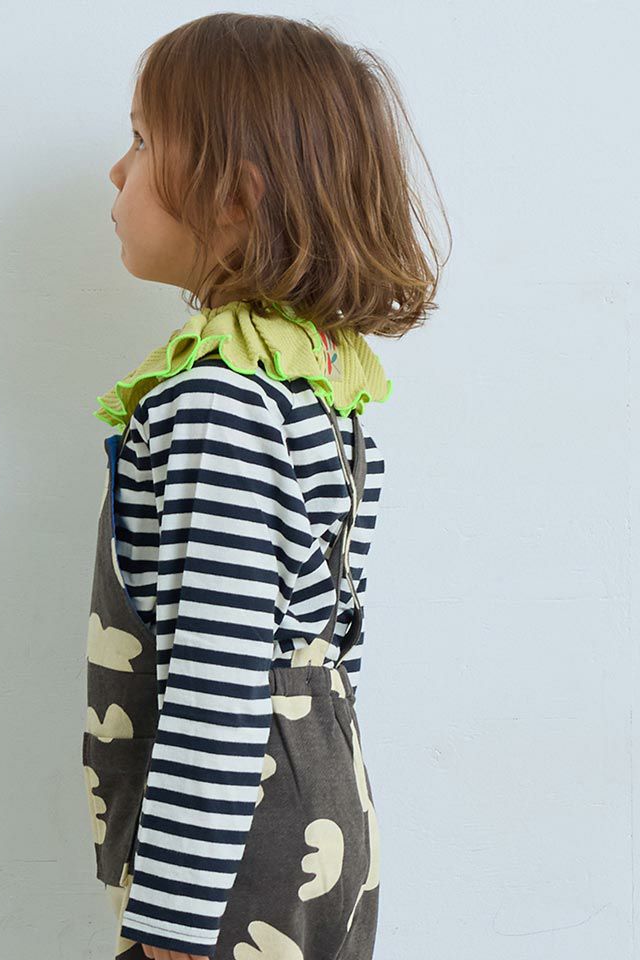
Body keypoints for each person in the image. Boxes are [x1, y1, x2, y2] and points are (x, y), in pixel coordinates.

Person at [83, 13, 450, 960]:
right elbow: (333, 634)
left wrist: (174, 919)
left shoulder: (215, 397)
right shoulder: (316, 380)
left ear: (236, 198)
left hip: (231, 844)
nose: (116, 172)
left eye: (140, 141)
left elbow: (219, 662)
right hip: (321, 796)